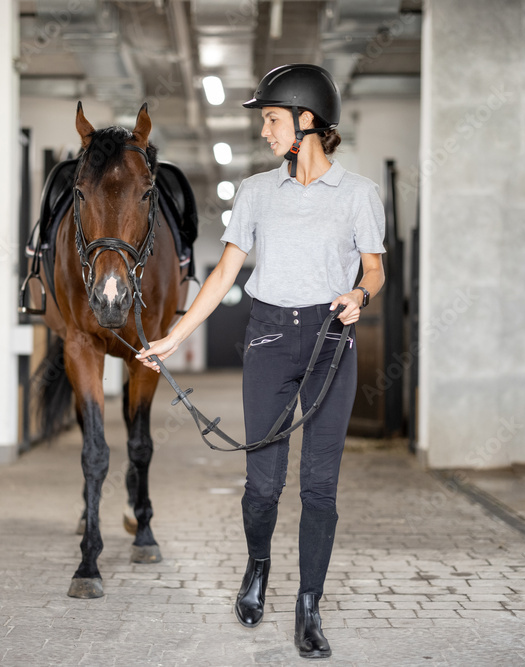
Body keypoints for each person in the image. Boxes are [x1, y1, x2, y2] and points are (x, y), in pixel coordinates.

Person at [137, 63, 385, 660]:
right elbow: (225, 271)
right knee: (263, 484)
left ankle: (309, 607)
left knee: (320, 486)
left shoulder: (359, 194)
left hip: (331, 340)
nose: (266, 132)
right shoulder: (254, 192)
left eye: (273, 119)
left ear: (307, 122)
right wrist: (175, 335)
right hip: (270, 338)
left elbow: (373, 267)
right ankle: (257, 567)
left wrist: (359, 294)